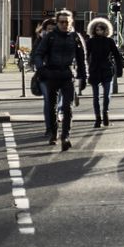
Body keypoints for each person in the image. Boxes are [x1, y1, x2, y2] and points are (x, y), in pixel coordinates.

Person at [33, 10, 87, 150]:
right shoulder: (50, 36)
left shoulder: (75, 37)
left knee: (67, 108)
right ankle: (53, 133)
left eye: (67, 22)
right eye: (62, 22)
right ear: (57, 22)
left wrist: (83, 77)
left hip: (68, 75)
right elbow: (38, 54)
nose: (64, 24)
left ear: (71, 23)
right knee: (51, 107)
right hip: (52, 74)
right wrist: (42, 69)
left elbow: (82, 59)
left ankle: (65, 136)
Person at [85, 17, 123, 128]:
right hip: (94, 70)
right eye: (97, 29)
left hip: (107, 70)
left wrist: (119, 70)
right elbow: (85, 56)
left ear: (105, 30)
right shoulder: (90, 42)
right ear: (93, 30)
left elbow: (117, 56)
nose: (99, 31)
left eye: (101, 29)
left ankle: (105, 113)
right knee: (96, 97)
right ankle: (97, 118)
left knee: (106, 95)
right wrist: (84, 70)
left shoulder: (109, 41)